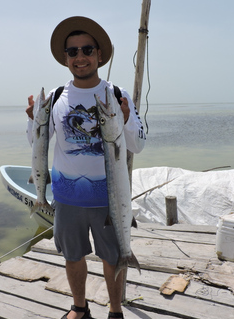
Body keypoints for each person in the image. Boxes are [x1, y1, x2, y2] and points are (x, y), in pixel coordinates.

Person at [26, 16, 146, 319]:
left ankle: (115, 309)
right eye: (73, 51)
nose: (80, 57)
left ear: (99, 55)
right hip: (67, 198)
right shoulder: (55, 98)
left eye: (87, 49)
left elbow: (138, 144)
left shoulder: (117, 95)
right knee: (72, 256)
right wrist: (33, 120)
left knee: (113, 256)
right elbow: (36, 143)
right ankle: (79, 307)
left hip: (110, 198)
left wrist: (127, 116)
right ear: (66, 58)